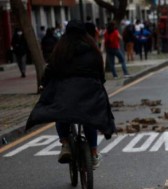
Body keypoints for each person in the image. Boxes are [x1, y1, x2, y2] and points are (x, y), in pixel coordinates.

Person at [25, 20, 116, 169]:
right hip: (88, 93)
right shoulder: (93, 49)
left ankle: (65, 143)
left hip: (65, 92)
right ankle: (93, 154)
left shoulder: (60, 50)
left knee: (60, 112)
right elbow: (100, 72)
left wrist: (43, 83)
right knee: (90, 119)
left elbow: (51, 70)